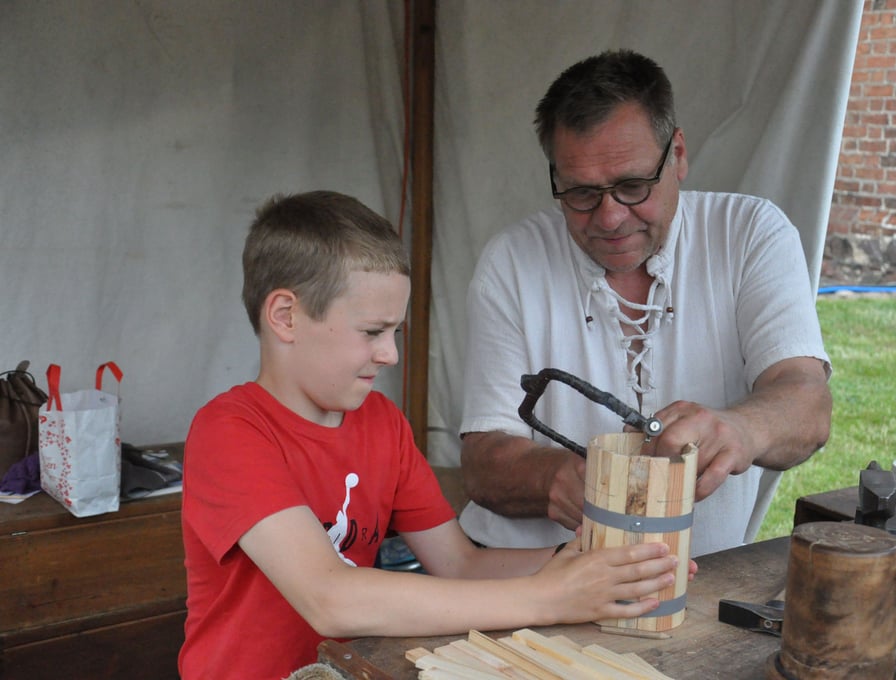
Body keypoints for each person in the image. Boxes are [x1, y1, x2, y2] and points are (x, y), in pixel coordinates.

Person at [178, 191, 688, 680]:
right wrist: (550, 597)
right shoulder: (230, 431)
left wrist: (591, 567)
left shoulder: (381, 422)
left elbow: (459, 564)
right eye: (371, 332)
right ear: (286, 316)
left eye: (394, 334)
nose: (390, 355)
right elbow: (329, 599)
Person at [459, 50, 832, 557]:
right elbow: (482, 462)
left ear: (677, 154)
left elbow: (807, 403)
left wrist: (742, 428)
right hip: (530, 579)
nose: (610, 218)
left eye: (633, 186)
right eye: (581, 194)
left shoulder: (749, 234)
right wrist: (554, 478)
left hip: (696, 585)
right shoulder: (512, 261)